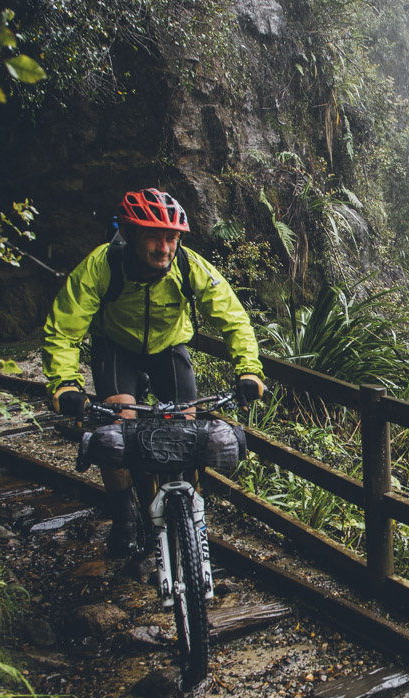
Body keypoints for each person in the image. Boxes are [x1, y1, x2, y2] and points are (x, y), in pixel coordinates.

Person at [42, 188, 265, 566]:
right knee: (116, 426)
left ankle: (190, 520)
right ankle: (125, 516)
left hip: (168, 349)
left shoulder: (189, 266)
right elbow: (65, 327)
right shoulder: (103, 264)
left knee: (188, 430)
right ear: (129, 233)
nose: (165, 247)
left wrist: (248, 369)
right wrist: (65, 383)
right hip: (116, 348)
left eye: (172, 237)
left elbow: (233, 318)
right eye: (154, 236)